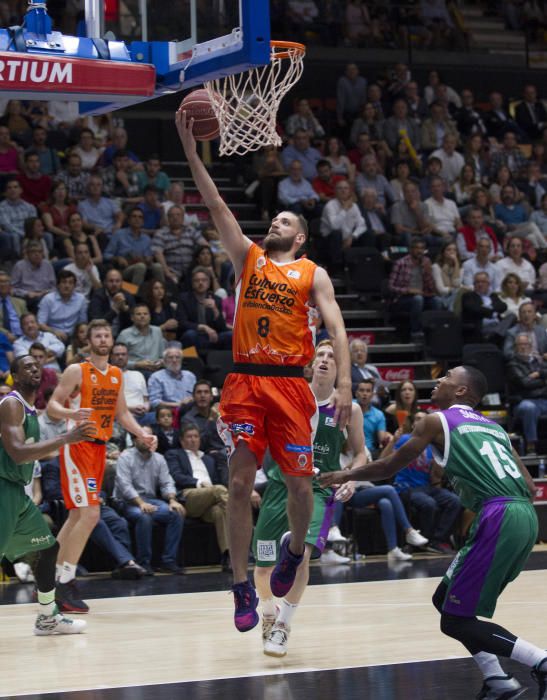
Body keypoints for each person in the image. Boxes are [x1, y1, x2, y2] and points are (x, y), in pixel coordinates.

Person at [176, 108, 352, 632]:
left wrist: (343, 383)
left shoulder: (311, 272)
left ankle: (295, 551)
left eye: (286, 222)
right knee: (237, 483)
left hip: (291, 386)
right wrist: (190, 147)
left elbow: (338, 329)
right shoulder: (247, 256)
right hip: (246, 380)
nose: (275, 222)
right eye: (274, 219)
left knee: (300, 487)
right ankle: (238, 586)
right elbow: (213, 202)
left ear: (299, 239)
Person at [321, 366, 546, 700]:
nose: (438, 381)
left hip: (497, 516)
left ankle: (540, 662)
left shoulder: (436, 420)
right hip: (524, 516)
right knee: (444, 600)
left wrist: (342, 475)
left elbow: (388, 467)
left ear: (461, 391)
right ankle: (497, 680)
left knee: (455, 621)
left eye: (447, 377)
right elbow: (529, 486)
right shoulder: (496, 429)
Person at [252, 340, 366, 657]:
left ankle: (284, 626)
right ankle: (269, 614)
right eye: (321, 355)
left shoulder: (349, 409)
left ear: (340, 368)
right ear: (311, 363)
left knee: (299, 554)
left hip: (318, 488)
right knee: (262, 567)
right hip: (279, 485)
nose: (326, 360)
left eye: (332, 356)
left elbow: (360, 453)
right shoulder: (289, 395)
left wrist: (352, 479)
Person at [46, 319, 158, 613]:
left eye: (107, 335)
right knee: (91, 513)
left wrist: (141, 433)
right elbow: (52, 406)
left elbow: (121, 413)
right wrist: (72, 411)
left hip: (99, 451)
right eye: (98, 335)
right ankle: (65, 582)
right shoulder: (77, 371)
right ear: (89, 340)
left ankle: (48, 575)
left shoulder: (117, 374)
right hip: (77, 445)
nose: (103, 339)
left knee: (75, 518)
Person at [0, 354, 93, 635]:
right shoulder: (12, 404)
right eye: (27, 366)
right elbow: (16, 452)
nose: (34, 369)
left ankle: (47, 618)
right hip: (3, 488)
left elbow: (33, 451)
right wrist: (67, 438)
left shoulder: (31, 409)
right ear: (14, 375)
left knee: (47, 548)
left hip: (17, 492)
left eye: (37, 365)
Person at [114, 426, 185, 575]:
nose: (148, 439)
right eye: (143, 436)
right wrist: (141, 503)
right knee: (143, 516)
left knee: (176, 513)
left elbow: (167, 482)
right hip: (127, 502)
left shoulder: (159, 458)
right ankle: (143, 563)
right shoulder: (125, 457)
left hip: (151, 500)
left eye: (151, 436)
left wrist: (172, 500)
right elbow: (124, 486)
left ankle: (169, 561)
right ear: (134, 439)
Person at [165, 423, 230, 570]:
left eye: (196, 436)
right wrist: (200, 483)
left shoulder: (208, 459)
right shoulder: (174, 454)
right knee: (220, 490)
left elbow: (218, 480)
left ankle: (228, 556)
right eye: (189, 437)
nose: (193, 440)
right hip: (189, 496)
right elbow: (176, 476)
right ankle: (241, 525)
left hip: (211, 500)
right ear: (182, 440)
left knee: (219, 512)